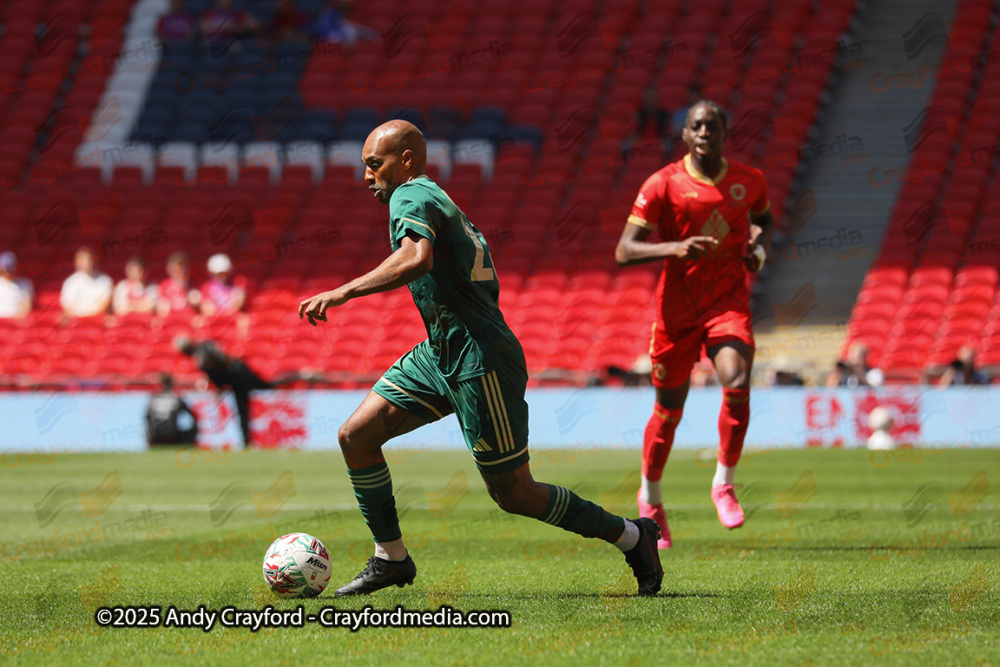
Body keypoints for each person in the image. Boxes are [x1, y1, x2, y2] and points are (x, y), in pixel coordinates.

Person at [298, 120, 663, 597]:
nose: (367, 175)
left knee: (515, 494)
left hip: (478, 356)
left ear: (406, 160)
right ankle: (392, 559)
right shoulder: (434, 197)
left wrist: (343, 291)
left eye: (374, 164)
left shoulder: (409, 195)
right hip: (442, 350)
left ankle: (634, 536)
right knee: (356, 436)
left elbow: (417, 259)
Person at [614, 100, 775, 548]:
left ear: (725, 134)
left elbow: (765, 221)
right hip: (677, 313)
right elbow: (625, 251)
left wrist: (758, 252)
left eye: (713, 126)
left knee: (737, 380)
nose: (705, 132)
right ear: (685, 134)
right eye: (697, 126)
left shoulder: (750, 181)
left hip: (727, 304)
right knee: (669, 413)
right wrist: (676, 248)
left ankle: (723, 482)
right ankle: (651, 500)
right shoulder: (663, 183)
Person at [174, 337, 272, 448]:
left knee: (244, 409)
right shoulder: (206, 346)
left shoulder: (201, 360)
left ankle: (246, 442)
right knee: (264, 388)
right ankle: (246, 441)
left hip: (238, 380)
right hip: (240, 371)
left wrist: (218, 389)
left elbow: (218, 373)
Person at [146, 373, 198, 445]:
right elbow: (192, 417)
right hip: (170, 436)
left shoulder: (153, 398)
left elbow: (147, 417)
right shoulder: (176, 398)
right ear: (172, 384)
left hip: (154, 436)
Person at [60, 247, 113, 318]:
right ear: (76, 262)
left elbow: (104, 305)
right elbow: (67, 305)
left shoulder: (106, 280)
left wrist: (86, 314)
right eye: (82, 260)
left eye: (88, 259)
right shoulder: (70, 282)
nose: (87, 263)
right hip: (77, 322)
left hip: (98, 320)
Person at [157, 252, 201, 318]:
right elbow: (162, 310)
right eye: (178, 268)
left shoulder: (193, 285)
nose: (182, 271)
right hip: (171, 322)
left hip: (189, 321)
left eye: (184, 267)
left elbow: (198, 305)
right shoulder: (164, 286)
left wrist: (186, 291)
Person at [0, 251, 33, 318]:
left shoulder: (25, 283)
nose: (9, 271)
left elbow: (27, 305)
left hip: (15, 322)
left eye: (10, 267)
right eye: (6, 268)